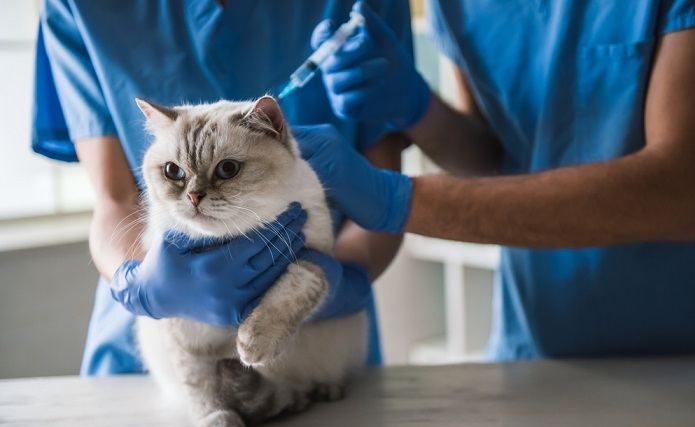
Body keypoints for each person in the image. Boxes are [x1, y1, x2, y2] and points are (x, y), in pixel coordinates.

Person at [298, 0, 695, 360]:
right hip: (534, 345)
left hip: (677, 356)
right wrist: (419, 109)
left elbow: (683, 193)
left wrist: (398, 202)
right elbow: (492, 157)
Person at [33, 0, 415, 374]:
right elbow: (114, 199)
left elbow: (380, 201)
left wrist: (324, 285)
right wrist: (141, 286)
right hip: (161, 335)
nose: (197, 193)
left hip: (314, 333)